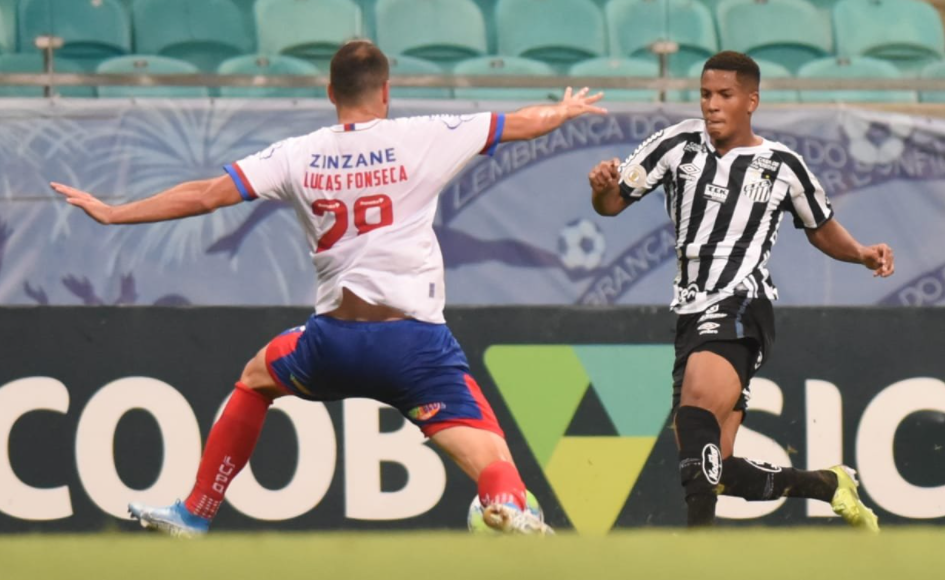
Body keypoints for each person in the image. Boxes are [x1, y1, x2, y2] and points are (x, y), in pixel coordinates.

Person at [52, 40, 606, 537]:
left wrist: (114, 212)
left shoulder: (297, 154)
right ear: (387, 91)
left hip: (331, 343)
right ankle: (511, 508)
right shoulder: (424, 136)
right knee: (492, 461)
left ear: (329, 92)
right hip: (414, 349)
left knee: (253, 382)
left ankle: (196, 513)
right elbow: (525, 123)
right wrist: (566, 108)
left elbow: (205, 195)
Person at [587, 51, 893, 530]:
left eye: (724, 95)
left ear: (751, 101)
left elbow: (820, 226)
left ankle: (697, 553)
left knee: (695, 414)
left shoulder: (781, 165)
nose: (711, 105)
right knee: (713, 469)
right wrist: (601, 188)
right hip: (690, 310)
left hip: (741, 301)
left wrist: (861, 254)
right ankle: (829, 485)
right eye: (706, 94)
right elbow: (611, 204)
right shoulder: (677, 143)